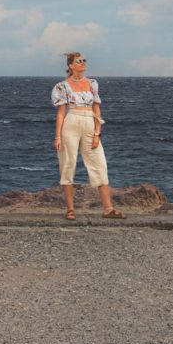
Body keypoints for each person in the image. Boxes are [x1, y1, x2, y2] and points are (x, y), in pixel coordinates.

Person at [51, 52, 125, 221]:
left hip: (89, 122)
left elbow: (97, 109)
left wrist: (97, 132)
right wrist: (57, 137)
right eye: (79, 61)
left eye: (84, 60)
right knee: (68, 164)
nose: (83, 62)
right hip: (71, 122)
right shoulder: (62, 86)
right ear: (71, 65)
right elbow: (61, 113)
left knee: (99, 164)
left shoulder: (92, 84)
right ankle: (70, 210)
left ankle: (108, 209)